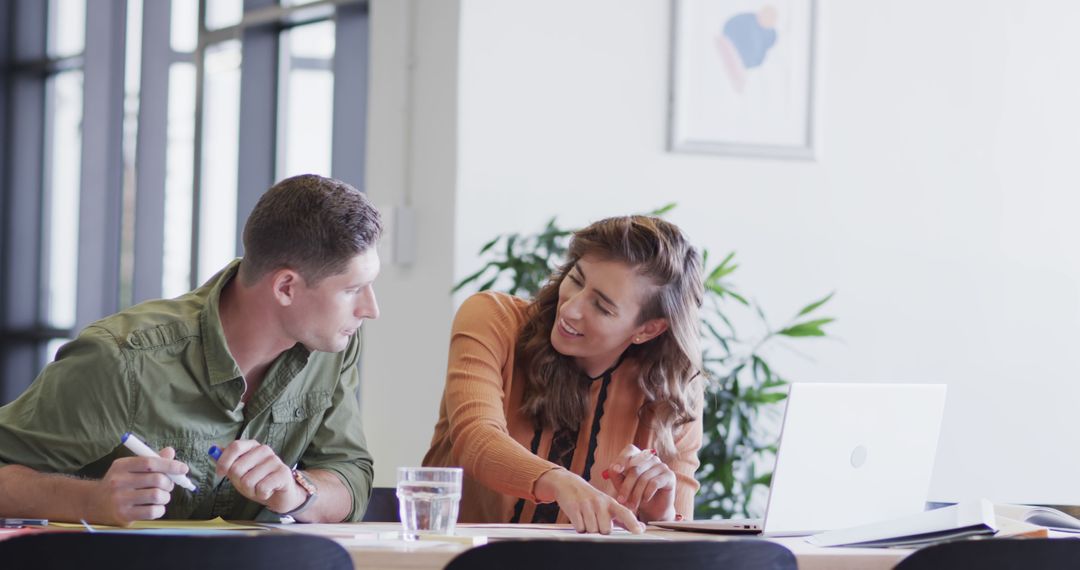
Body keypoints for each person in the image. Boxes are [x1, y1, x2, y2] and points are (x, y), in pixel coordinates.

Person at [0, 174, 382, 526]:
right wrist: (91, 500)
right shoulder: (122, 359)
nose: (371, 309)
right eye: (352, 290)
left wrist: (297, 494)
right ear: (285, 287)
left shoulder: (332, 347)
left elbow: (348, 473)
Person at [423, 215, 704, 534]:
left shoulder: (674, 393)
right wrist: (557, 481)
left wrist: (659, 513)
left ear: (648, 329)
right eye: (577, 278)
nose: (570, 308)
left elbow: (682, 551)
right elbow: (475, 439)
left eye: (602, 306)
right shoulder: (493, 320)